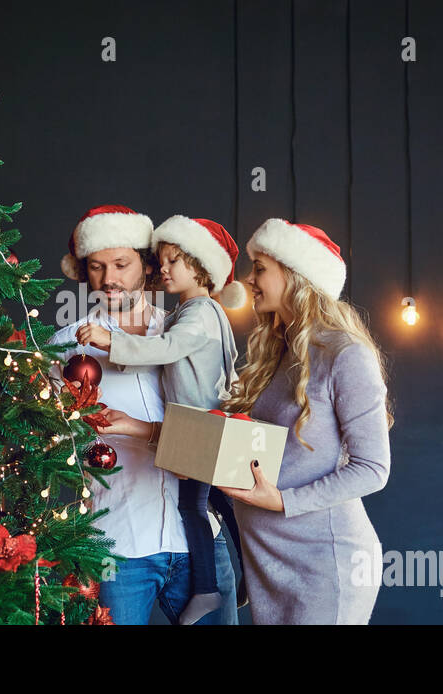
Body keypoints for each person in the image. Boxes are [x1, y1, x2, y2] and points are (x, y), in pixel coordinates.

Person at [100, 217, 393, 624]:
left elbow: (372, 469)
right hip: (267, 564)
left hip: (323, 562)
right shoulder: (278, 355)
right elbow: (227, 449)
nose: (249, 279)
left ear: (295, 275)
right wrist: (138, 428)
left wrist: (283, 501)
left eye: (260, 269)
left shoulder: (345, 355)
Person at [47, 204, 238, 626]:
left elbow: (222, 422)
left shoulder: (184, 331)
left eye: (121, 264)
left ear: (147, 267)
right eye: (96, 266)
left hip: (199, 543)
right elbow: (45, 436)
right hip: (120, 546)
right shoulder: (65, 347)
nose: (109, 278)